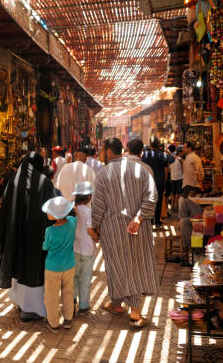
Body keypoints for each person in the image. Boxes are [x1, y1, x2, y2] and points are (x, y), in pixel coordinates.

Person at [92, 138, 158, 328]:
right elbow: (152, 196)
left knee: (117, 266)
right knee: (135, 264)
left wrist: (94, 226)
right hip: (138, 227)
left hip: (112, 229)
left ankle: (135, 313)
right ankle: (116, 304)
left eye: (103, 150)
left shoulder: (103, 173)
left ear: (109, 152)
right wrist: (139, 218)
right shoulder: (141, 169)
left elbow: (98, 205)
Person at [0, 152, 60, 321]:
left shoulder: (14, 181)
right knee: (34, 269)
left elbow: (5, 211)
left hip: (16, 235)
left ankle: (20, 303)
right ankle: (33, 309)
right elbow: (53, 208)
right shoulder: (44, 183)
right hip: (37, 236)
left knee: (19, 266)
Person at [41, 196, 77, 332]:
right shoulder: (73, 223)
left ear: (55, 215)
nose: (47, 213)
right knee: (68, 292)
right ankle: (68, 319)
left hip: (53, 268)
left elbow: (45, 247)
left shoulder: (50, 231)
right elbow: (75, 216)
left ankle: (53, 323)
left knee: (51, 296)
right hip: (69, 264)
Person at [71, 181, 98, 315]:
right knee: (86, 278)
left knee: (74, 277)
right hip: (88, 249)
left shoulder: (71, 209)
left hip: (75, 249)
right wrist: (97, 238)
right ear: (89, 197)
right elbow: (90, 230)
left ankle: (72, 302)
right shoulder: (89, 211)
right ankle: (84, 306)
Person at [141, 137, 174, 227]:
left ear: (150, 145)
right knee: (158, 202)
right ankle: (157, 222)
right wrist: (166, 151)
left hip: (148, 182)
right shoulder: (161, 155)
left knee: (149, 201)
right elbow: (172, 159)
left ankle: (150, 221)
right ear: (159, 145)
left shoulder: (146, 154)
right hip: (160, 182)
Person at [179, 186, 203, 266]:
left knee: (183, 222)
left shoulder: (187, 201)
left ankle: (189, 251)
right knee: (184, 222)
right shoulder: (186, 201)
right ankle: (190, 251)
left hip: (201, 217)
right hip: (196, 218)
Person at [168, 145, 184, 213]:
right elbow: (183, 167)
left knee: (172, 192)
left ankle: (172, 206)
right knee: (178, 192)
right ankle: (176, 206)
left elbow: (169, 169)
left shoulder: (171, 158)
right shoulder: (180, 159)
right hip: (179, 177)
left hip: (172, 177)